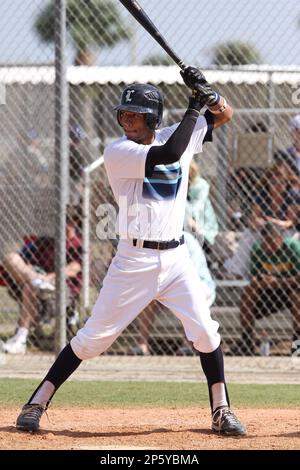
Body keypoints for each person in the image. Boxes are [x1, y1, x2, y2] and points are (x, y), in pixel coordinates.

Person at [15, 67, 246, 436]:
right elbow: (170, 154)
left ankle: (222, 410)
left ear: (153, 117)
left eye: (136, 115)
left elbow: (225, 115)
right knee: (92, 340)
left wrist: (210, 95)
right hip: (132, 261)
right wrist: (193, 103)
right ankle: (36, 402)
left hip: (176, 260)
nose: (129, 121)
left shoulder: (180, 131)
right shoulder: (118, 150)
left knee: (205, 331)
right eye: (124, 114)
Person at [2, 207, 82, 354]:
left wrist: (48, 278)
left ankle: (21, 337)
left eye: (67, 221)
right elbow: (27, 263)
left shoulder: (78, 245)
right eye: (60, 221)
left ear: (75, 223)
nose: (62, 224)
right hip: (37, 283)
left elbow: (73, 268)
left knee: (30, 286)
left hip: (62, 291)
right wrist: (36, 275)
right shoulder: (46, 242)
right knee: (12, 259)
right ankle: (21, 340)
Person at [128, 229, 217, 356]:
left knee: (184, 295)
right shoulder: (157, 239)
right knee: (149, 295)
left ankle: (187, 345)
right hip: (170, 283)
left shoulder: (186, 239)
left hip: (200, 284)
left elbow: (191, 275)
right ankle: (143, 345)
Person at [237, 222, 300, 355]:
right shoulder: (258, 249)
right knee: (248, 292)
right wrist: (260, 281)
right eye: (265, 242)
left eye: (271, 242)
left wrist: (279, 281)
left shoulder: (293, 247)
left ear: (280, 238)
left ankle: (297, 345)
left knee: (297, 297)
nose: (267, 246)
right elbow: (254, 276)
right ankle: (247, 342)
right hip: (267, 292)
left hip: (290, 290)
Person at [184, 160, 219, 264]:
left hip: (202, 225)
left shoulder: (201, 185)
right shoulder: (180, 183)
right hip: (188, 224)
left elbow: (197, 209)